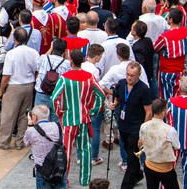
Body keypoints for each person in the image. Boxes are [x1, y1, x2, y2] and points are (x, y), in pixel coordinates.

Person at [49, 49, 105, 186]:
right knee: (85, 150)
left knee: (66, 151)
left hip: (69, 120)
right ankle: (85, 180)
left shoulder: (64, 78)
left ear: (71, 61)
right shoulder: (89, 77)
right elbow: (101, 95)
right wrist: (93, 110)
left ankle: (64, 180)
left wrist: (60, 113)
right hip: (84, 119)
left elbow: (54, 98)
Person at [0, 27, 38, 150]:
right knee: (23, 115)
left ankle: (4, 142)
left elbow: (6, 76)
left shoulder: (11, 54)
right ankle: (19, 142)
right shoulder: (33, 52)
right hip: (28, 85)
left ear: (15, 39)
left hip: (14, 86)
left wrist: (1, 91)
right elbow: (36, 71)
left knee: (8, 115)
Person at [109, 62, 153, 189]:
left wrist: (143, 131)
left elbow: (148, 111)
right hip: (123, 125)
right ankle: (138, 174)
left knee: (132, 158)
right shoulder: (121, 84)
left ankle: (126, 185)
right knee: (129, 153)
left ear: (138, 75)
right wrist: (114, 104)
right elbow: (118, 99)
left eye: (132, 75)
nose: (129, 78)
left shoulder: (144, 89)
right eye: (128, 74)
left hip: (136, 127)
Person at [138, 99, 180, 189]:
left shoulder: (143, 126)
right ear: (163, 112)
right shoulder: (170, 130)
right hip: (165, 169)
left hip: (149, 165)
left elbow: (141, 142)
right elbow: (177, 146)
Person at [24, 104, 64, 189]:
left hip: (42, 169)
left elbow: (26, 142)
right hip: (59, 166)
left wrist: (30, 124)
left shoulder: (31, 131)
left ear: (34, 116)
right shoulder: (57, 126)